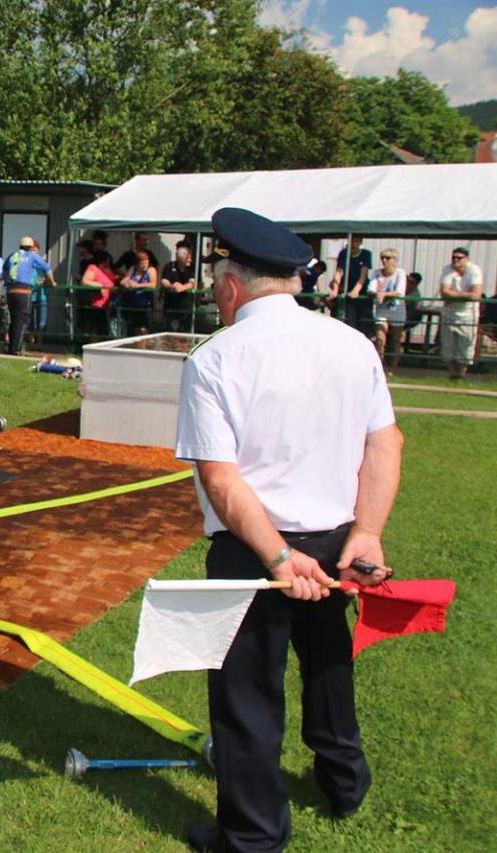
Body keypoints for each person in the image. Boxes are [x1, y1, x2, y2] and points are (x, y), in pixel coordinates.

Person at [176, 207, 401, 853]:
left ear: (231, 283)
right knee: (329, 668)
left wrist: (277, 557)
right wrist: (367, 534)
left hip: (253, 551)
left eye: (216, 283)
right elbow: (385, 442)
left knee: (247, 697)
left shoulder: (215, 357)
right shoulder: (352, 342)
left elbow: (222, 480)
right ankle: (344, 783)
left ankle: (253, 835)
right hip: (337, 541)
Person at [2, 236, 55, 355]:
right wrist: (52, 282)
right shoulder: (32, 256)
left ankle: (10, 346)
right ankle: (15, 349)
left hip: (10, 291)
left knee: (13, 320)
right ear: (31, 247)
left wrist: (6, 282)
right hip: (23, 291)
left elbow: (4, 271)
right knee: (21, 321)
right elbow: (47, 268)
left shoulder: (12, 255)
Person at [439, 247, 484, 379]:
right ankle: (452, 375)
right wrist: (466, 295)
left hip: (469, 314)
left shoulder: (474, 270)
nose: (455, 260)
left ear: (467, 259)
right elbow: (444, 293)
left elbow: (476, 294)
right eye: (453, 257)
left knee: (466, 346)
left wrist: (453, 295)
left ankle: (460, 375)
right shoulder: (447, 269)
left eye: (459, 258)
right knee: (448, 346)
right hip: (449, 313)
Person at [369, 248, 407, 374]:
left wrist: (384, 294)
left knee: (396, 338)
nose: (384, 260)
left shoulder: (401, 273)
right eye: (382, 258)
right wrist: (377, 294)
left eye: (388, 258)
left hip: (397, 308)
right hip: (381, 308)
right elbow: (371, 289)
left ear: (395, 260)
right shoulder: (377, 273)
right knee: (380, 337)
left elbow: (400, 291)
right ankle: (380, 365)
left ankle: (393, 368)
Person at [333, 236, 374, 334]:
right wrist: (335, 289)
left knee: (364, 323)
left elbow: (363, 274)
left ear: (360, 242)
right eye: (352, 241)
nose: (354, 244)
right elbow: (339, 272)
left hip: (362, 293)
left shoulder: (366, 254)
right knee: (349, 321)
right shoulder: (343, 253)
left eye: (357, 241)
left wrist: (356, 290)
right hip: (347, 292)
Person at [161, 243, 197, 332]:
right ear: (181, 258)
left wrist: (182, 287)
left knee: (184, 332)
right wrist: (172, 286)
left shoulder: (191, 268)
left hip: (186, 307)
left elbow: (193, 282)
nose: (190, 260)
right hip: (171, 306)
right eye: (188, 258)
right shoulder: (169, 266)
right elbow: (164, 281)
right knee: (170, 331)